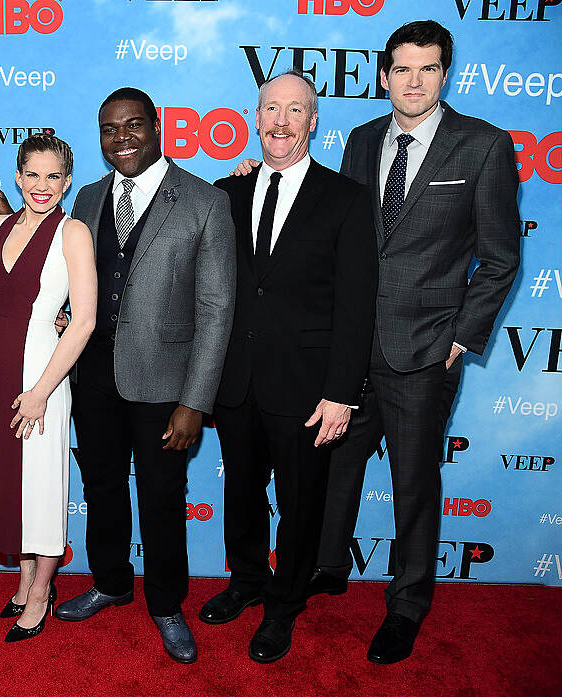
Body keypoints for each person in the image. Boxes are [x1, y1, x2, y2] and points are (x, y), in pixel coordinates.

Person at [310, 20, 521, 664]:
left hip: (426, 348)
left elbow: (501, 258)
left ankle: (405, 606)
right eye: (402, 69)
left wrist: (461, 338)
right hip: (354, 346)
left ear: (445, 74)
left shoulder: (483, 146)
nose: (414, 81)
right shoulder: (363, 140)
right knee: (336, 466)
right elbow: (343, 237)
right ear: (383, 75)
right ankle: (326, 569)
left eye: (428, 69)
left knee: (415, 482)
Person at [54, 87, 236, 664]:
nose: (122, 138)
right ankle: (109, 582)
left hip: (166, 384)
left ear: (158, 127)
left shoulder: (205, 202)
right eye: (110, 129)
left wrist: (195, 401)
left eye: (134, 125)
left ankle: (165, 603)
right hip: (93, 377)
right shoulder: (85, 199)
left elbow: (216, 310)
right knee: (101, 487)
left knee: (161, 496)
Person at [200, 70, 376, 663]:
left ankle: (284, 605)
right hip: (236, 380)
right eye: (270, 108)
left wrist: (342, 392)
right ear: (255, 116)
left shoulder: (346, 198)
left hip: (308, 387)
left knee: (301, 504)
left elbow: (357, 303)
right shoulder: (226, 193)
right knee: (242, 494)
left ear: (313, 121)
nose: (280, 121)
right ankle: (246, 581)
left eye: (294, 110)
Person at [0, 134, 96, 642]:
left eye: (54, 176)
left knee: (43, 488)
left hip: (42, 377)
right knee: (6, 483)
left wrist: (43, 391)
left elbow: (84, 320)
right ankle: (24, 580)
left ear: (67, 181)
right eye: (33, 175)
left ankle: (44, 590)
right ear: (18, 175)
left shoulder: (73, 233)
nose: (42, 186)